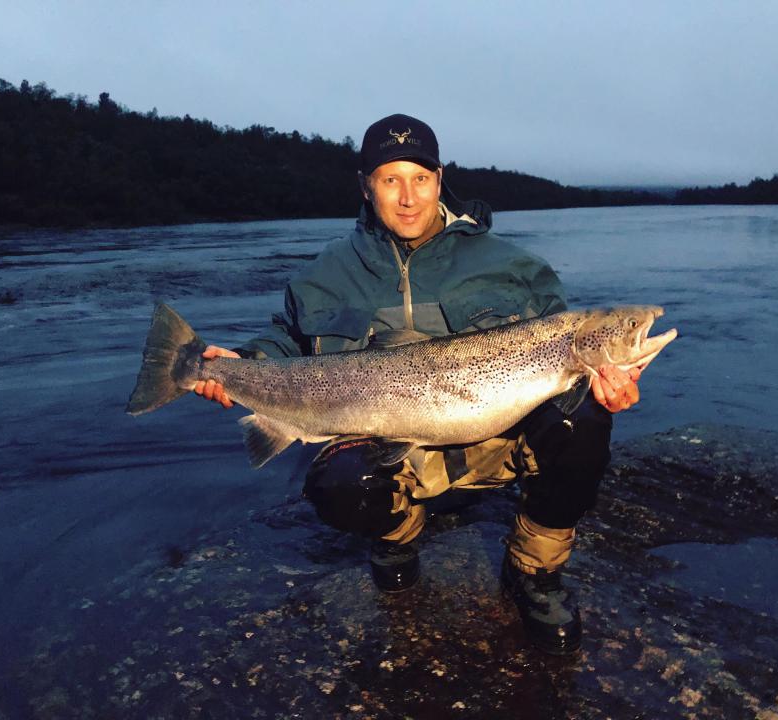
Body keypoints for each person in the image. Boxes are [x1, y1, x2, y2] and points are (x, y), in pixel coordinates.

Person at [193, 114, 642, 655]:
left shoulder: (514, 266)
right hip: (390, 454)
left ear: (439, 178)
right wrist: (235, 363)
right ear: (366, 185)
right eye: (390, 180)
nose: (408, 198)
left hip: (494, 443)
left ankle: (534, 571)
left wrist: (604, 389)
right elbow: (284, 344)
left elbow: (560, 349)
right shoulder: (323, 274)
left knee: (585, 419)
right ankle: (396, 541)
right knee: (338, 481)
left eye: (420, 179)